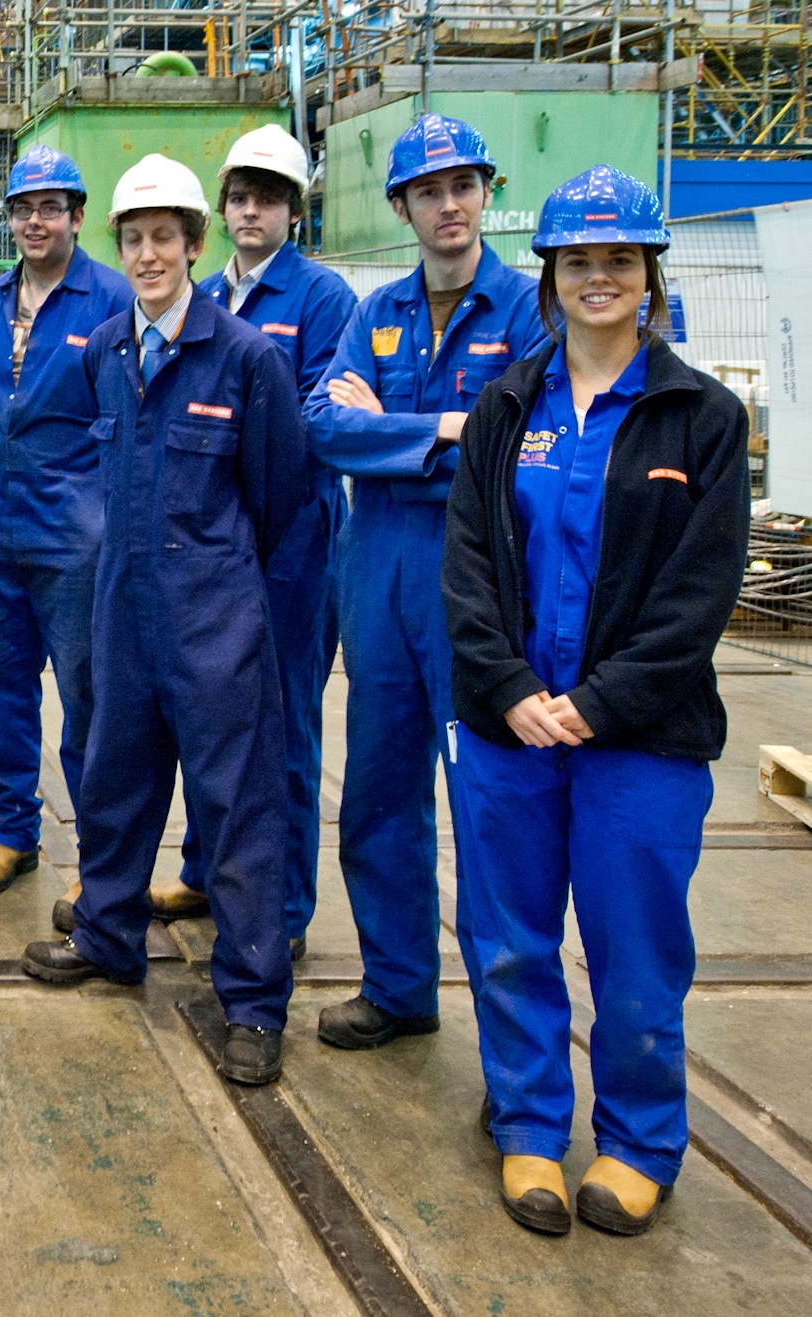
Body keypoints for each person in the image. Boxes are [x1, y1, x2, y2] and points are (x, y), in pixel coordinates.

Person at [444, 166, 748, 1238]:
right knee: (510, 936)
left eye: (620, 259)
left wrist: (599, 704)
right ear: (551, 277)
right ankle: (527, 1124)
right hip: (507, 733)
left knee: (632, 947)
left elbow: (698, 594)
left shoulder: (698, 418)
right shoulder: (504, 406)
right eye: (579, 260)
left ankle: (635, 1144)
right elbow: (468, 566)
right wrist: (510, 690)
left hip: (640, 742)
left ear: (648, 275)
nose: (599, 278)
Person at [20, 155, 306, 1087]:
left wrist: (242, 609)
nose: (148, 254)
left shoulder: (248, 358)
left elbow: (280, 503)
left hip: (217, 617)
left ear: (196, 245)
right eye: (133, 239)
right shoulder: (105, 351)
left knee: (239, 810)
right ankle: (108, 936)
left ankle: (254, 1003)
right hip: (123, 606)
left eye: (165, 238)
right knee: (114, 780)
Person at [304, 114, 549, 1051]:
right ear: (402, 205)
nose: (449, 205)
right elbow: (326, 429)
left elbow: (522, 444)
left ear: (485, 193)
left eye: (463, 187)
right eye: (429, 191)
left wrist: (408, 433)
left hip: (477, 574)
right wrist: (449, 431)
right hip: (375, 574)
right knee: (376, 790)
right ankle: (399, 986)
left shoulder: (528, 310)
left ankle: (514, 1055)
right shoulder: (377, 312)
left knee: (489, 811)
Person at [150, 126, 358, 952]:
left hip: (292, 547)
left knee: (285, 731)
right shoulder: (205, 296)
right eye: (239, 196)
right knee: (212, 718)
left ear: (293, 211)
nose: (250, 210)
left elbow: (319, 419)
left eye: (267, 198)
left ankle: (284, 911)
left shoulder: (321, 298)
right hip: (213, 543)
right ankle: (207, 873)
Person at [0, 147, 131, 899]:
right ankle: (9, 834)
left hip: (74, 526)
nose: (36, 220)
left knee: (88, 696)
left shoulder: (112, 299)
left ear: (77, 217)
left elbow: (127, 416)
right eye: (24, 208)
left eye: (51, 207)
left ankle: (101, 860)